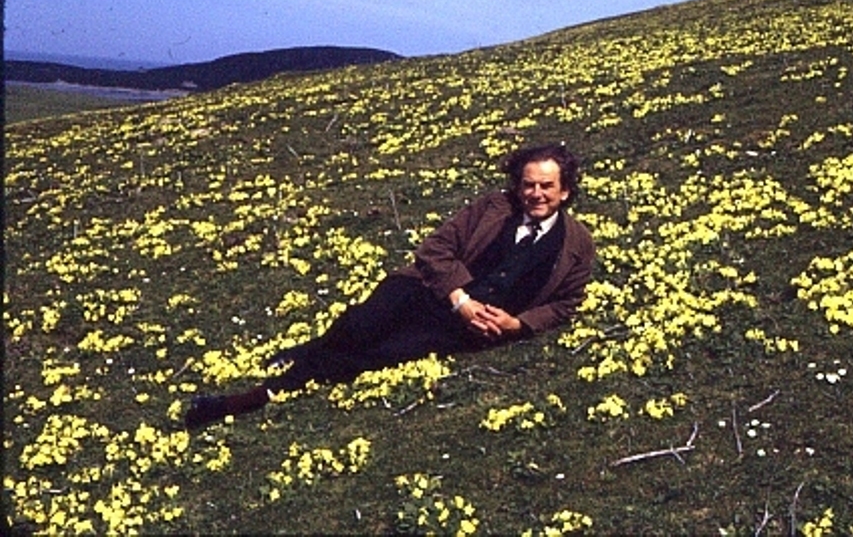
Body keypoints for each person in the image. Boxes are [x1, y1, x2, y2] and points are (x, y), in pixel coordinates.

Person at [184, 143, 596, 429]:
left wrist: (516, 325)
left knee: (371, 356)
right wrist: (460, 299)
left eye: (546, 186)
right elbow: (434, 250)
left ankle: (249, 399)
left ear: (565, 191)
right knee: (360, 325)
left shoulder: (576, 244)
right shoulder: (493, 208)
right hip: (427, 291)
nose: (535, 194)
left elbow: (566, 303)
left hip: (466, 329)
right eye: (528, 184)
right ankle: (302, 355)